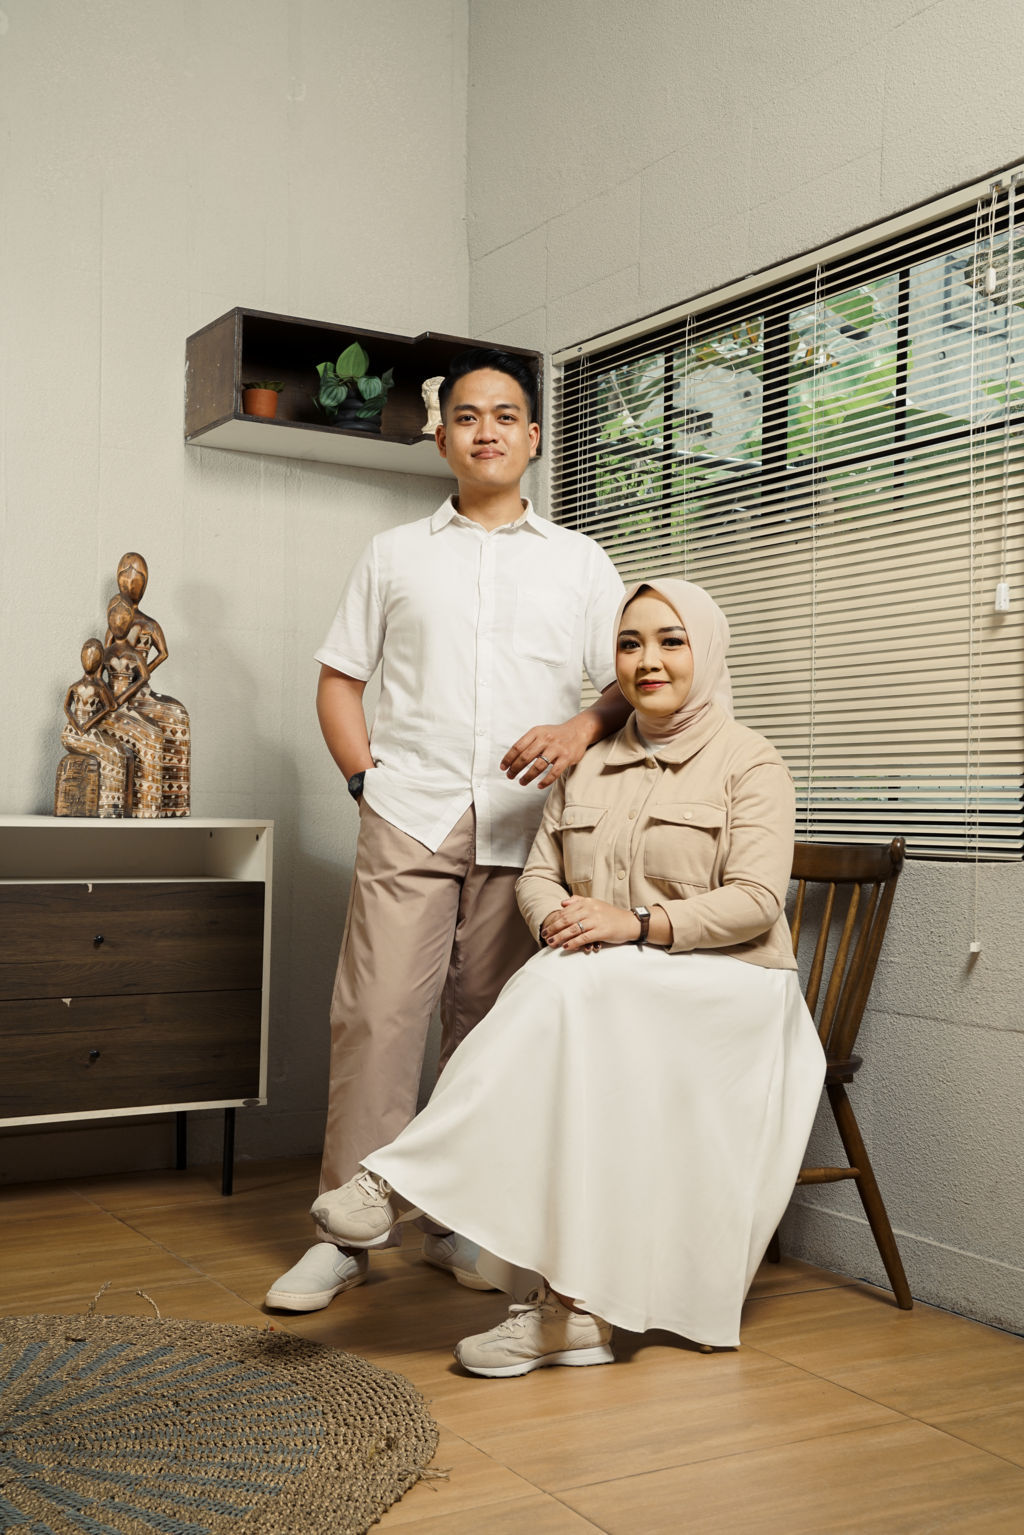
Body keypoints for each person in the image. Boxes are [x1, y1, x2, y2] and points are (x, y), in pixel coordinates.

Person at [310, 577, 826, 1374]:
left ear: (708, 650)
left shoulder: (750, 761)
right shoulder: (589, 764)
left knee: (563, 986)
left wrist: (635, 923)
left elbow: (757, 902)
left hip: (733, 990)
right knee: (566, 990)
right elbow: (540, 873)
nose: (648, 660)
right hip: (618, 987)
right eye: (629, 643)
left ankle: (402, 1182)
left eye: (671, 641)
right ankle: (571, 1311)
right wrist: (558, 918)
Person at [265, 348, 628, 1313]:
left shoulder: (582, 562)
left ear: (533, 437)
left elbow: (624, 685)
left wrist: (577, 730)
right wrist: (365, 781)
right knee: (377, 1022)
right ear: (442, 438)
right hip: (411, 815)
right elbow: (339, 679)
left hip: (530, 830)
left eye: (506, 416)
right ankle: (343, 1240)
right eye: (468, 416)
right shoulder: (394, 553)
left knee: (489, 1032)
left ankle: (455, 1223)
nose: (487, 431)